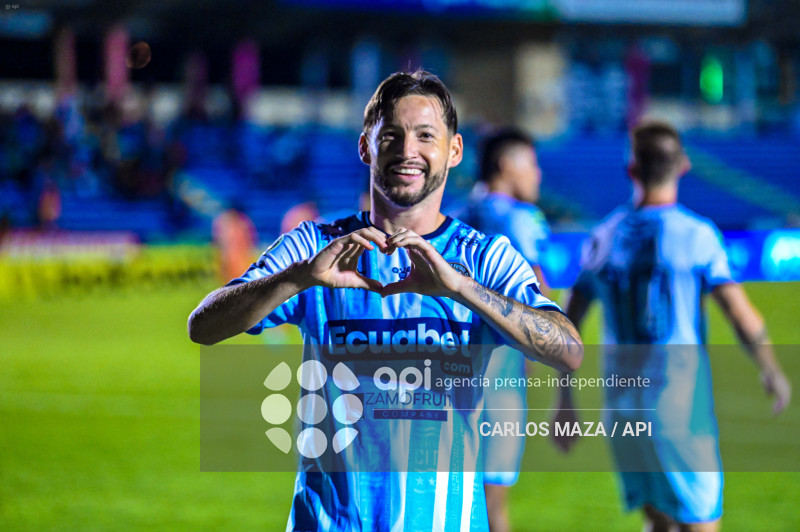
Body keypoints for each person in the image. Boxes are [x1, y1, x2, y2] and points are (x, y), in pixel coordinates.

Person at [188, 70, 583, 531]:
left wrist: (459, 288)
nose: (407, 151)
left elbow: (569, 350)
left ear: (454, 150)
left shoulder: (484, 257)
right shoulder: (316, 246)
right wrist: (298, 278)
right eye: (391, 135)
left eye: (425, 136)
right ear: (365, 147)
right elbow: (203, 326)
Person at [557, 120, 790, 531]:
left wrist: (564, 400)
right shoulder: (698, 236)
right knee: (700, 523)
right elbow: (739, 312)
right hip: (678, 410)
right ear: (684, 166)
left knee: (658, 521)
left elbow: (563, 325)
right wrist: (770, 368)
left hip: (622, 409)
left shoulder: (602, 239)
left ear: (631, 170)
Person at [452, 127, 550, 532]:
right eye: (531, 163)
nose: (538, 175)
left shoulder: (454, 215)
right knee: (494, 513)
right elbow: (537, 296)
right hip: (500, 380)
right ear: (506, 165)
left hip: (448, 375)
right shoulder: (519, 218)